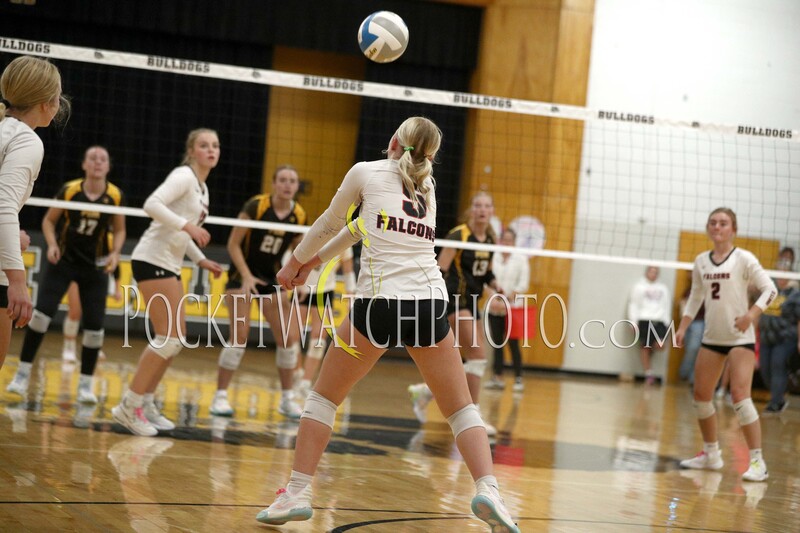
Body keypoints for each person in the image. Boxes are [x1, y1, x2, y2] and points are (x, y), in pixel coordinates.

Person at [257, 117, 519, 531]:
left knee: (322, 399)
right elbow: (357, 229)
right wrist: (313, 265)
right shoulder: (427, 187)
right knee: (462, 410)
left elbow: (330, 221)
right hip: (430, 306)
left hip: (378, 307)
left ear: (393, 139)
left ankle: (296, 493)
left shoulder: (366, 171)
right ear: (429, 155)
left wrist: (295, 263)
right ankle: (489, 491)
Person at [111, 128, 223, 436]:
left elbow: (181, 232)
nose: (211, 150)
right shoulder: (184, 176)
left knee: (176, 339)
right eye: (204, 145)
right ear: (192, 151)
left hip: (168, 262)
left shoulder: (202, 188)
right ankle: (128, 406)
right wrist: (188, 225)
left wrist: (200, 259)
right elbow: (152, 205)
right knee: (168, 338)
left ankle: (144, 403)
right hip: (151, 258)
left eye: (215, 145)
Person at [6, 146, 125, 403]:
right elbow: (49, 221)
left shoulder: (114, 195)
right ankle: (22, 374)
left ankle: (85, 386)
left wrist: (116, 253)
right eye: (92, 158)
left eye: (102, 159)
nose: (97, 162)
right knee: (40, 317)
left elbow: (120, 229)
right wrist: (51, 244)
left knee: (95, 330)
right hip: (65, 262)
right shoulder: (70, 190)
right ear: (84, 164)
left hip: (95, 267)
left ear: (108, 166)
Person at [676, 207, 777, 482]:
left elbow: (771, 289)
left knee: (740, 396)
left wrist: (750, 316)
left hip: (739, 338)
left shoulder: (744, 258)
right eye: (713, 223)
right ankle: (711, 454)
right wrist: (683, 328)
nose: (717, 227)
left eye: (723, 223)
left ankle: (758, 461)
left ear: (733, 229)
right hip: (712, 337)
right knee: (701, 396)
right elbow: (696, 297)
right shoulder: (701, 261)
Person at [209, 165, 307, 419]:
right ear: (274, 184)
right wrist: (246, 275)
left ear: (297, 186)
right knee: (239, 336)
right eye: (283, 180)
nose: (287, 185)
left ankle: (287, 399)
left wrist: (299, 279)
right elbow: (233, 244)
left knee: (287, 338)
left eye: (292, 181)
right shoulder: (256, 206)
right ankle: (220, 396)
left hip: (270, 278)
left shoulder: (298, 214)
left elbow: (299, 251)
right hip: (242, 275)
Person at [408, 191, 502, 435]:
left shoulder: (490, 239)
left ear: (492, 211)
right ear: (471, 209)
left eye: (486, 206)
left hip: (472, 303)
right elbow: (440, 268)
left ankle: (425, 392)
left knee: (468, 361)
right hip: (454, 301)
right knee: (478, 356)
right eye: (478, 205)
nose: (482, 210)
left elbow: (486, 272)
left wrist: (497, 286)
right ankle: (474, 415)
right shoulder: (459, 235)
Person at [0, 55, 69, 370]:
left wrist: (11, 235)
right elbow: (2, 204)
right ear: (47, 102)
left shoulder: (5, 129)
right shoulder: (27, 140)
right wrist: (17, 280)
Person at [294, 248, 357, 399]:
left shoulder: (344, 238)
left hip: (324, 291)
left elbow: (348, 271)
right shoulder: (309, 230)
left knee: (319, 338)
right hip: (302, 289)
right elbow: (289, 256)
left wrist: (351, 295)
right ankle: (296, 373)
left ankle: (305, 382)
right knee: (292, 336)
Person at [485, 228, 529, 392]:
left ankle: (518, 378)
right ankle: (498, 377)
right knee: (497, 343)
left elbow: (522, 284)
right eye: (504, 239)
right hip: (494, 306)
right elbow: (486, 280)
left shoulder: (521, 259)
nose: (507, 243)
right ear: (501, 240)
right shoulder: (494, 256)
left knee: (513, 344)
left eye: (510, 240)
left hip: (512, 307)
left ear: (514, 241)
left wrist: (506, 300)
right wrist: (493, 298)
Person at [758, 255, 800, 415]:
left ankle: (775, 402)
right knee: (765, 369)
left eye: (785, 273)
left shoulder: (795, 294)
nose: (781, 276)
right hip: (766, 337)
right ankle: (779, 396)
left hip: (785, 338)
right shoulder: (769, 289)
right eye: (779, 272)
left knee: (777, 365)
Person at [627, 266, 672, 385]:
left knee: (660, 345)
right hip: (644, 320)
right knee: (645, 347)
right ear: (647, 272)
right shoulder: (639, 287)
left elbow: (667, 306)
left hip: (659, 321)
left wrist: (667, 323)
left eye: (656, 272)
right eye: (651, 271)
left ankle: (650, 350)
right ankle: (649, 374)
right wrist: (633, 322)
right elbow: (633, 304)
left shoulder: (663, 288)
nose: (653, 274)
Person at [678, 278, 705, 384]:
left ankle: (690, 377)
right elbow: (683, 306)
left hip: (702, 322)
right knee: (691, 349)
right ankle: (685, 375)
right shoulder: (690, 290)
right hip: (690, 322)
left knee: (697, 350)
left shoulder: (708, 291)